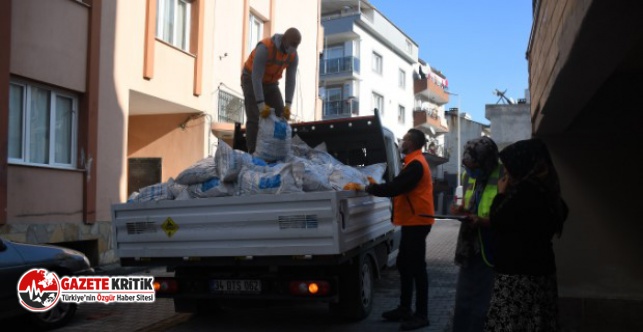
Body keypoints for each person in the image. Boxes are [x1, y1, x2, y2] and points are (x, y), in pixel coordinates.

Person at [484, 138, 568, 331]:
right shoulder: (546, 189)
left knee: (512, 323)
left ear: (522, 166)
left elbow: (498, 219)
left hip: (519, 277)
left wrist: (501, 194)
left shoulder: (526, 191)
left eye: (509, 168)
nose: (506, 173)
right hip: (541, 272)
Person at [365, 128, 435, 331]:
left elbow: (396, 187)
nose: (402, 142)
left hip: (418, 222)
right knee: (405, 265)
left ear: (411, 143)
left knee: (417, 269)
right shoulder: (412, 163)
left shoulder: (416, 165)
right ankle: (405, 308)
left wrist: (371, 188)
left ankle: (422, 315)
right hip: (413, 221)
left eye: (404, 139)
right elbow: (398, 186)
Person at [450, 136, 502, 332]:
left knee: (483, 303)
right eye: (467, 165)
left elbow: (508, 216)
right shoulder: (467, 176)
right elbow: (461, 202)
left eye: (474, 165)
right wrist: (458, 209)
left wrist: (483, 221)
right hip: (468, 247)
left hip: (489, 248)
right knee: (463, 300)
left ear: (487, 160)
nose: (470, 170)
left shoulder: (504, 175)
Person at [241, 27, 301, 154]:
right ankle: (253, 152)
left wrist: (288, 105)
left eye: (296, 46)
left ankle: (278, 150)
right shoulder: (265, 48)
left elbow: (290, 80)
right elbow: (256, 78)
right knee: (254, 116)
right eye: (292, 44)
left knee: (280, 113)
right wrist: (261, 104)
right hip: (251, 78)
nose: (293, 48)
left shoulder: (293, 56)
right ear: (284, 39)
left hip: (271, 83)